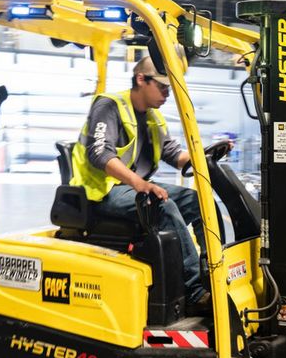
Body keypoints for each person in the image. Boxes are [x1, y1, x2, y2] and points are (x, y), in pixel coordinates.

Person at [70, 56, 209, 306]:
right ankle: (194, 291)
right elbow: (99, 153)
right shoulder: (109, 106)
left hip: (131, 190)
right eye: (162, 87)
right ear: (141, 79)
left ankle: (212, 273)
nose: (167, 94)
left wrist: (205, 157)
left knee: (197, 202)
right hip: (102, 193)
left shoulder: (154, 117)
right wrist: (140, 184)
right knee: (162, 205)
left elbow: (174, 155)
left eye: (168, 88)